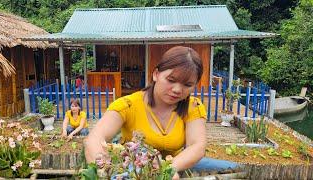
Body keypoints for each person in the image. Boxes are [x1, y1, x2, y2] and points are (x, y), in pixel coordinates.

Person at [84, 46, 238, 179]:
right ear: (156, 74)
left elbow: (197, 146)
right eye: (171, 80)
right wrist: (103, 167)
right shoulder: (128, 104)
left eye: (187, 84)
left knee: (236, 167)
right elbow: (94, 139)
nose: (177, 90)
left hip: (178, 163)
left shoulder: (193, 106)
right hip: (136, 167)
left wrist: (168, 169)